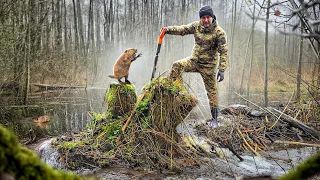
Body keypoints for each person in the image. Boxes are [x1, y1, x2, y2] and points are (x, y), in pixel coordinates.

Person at [163, 5, 228, 127]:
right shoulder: (196, 26)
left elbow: (223, 51)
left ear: (212, 17)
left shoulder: (219, 33)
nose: (205, 20)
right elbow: (183, 29)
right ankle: (177, 93)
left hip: (208, 66)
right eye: (203, 18)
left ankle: (214, 119)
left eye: (208, 17)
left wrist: (222, 69)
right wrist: (167, 29)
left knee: (212, 92)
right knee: (177, 66)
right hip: (194, 61)